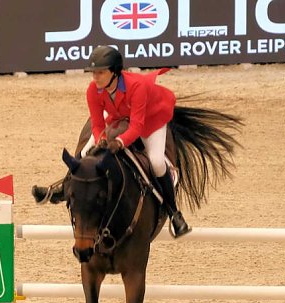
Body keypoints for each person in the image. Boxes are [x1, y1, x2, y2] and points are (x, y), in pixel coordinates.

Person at [32, 45, 190, 238]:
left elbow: (137, 127)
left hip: (150, 116)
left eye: (100, 72)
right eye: (93, 73)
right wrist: (103, 139)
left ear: (115, 72)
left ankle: (175, 214)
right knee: (85, 152)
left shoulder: (136, 86)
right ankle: (61, 189)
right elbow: (97, 124)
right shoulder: (93, 90)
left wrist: (120, 142)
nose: (95, 77)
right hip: (119, 113)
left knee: (156, 161)